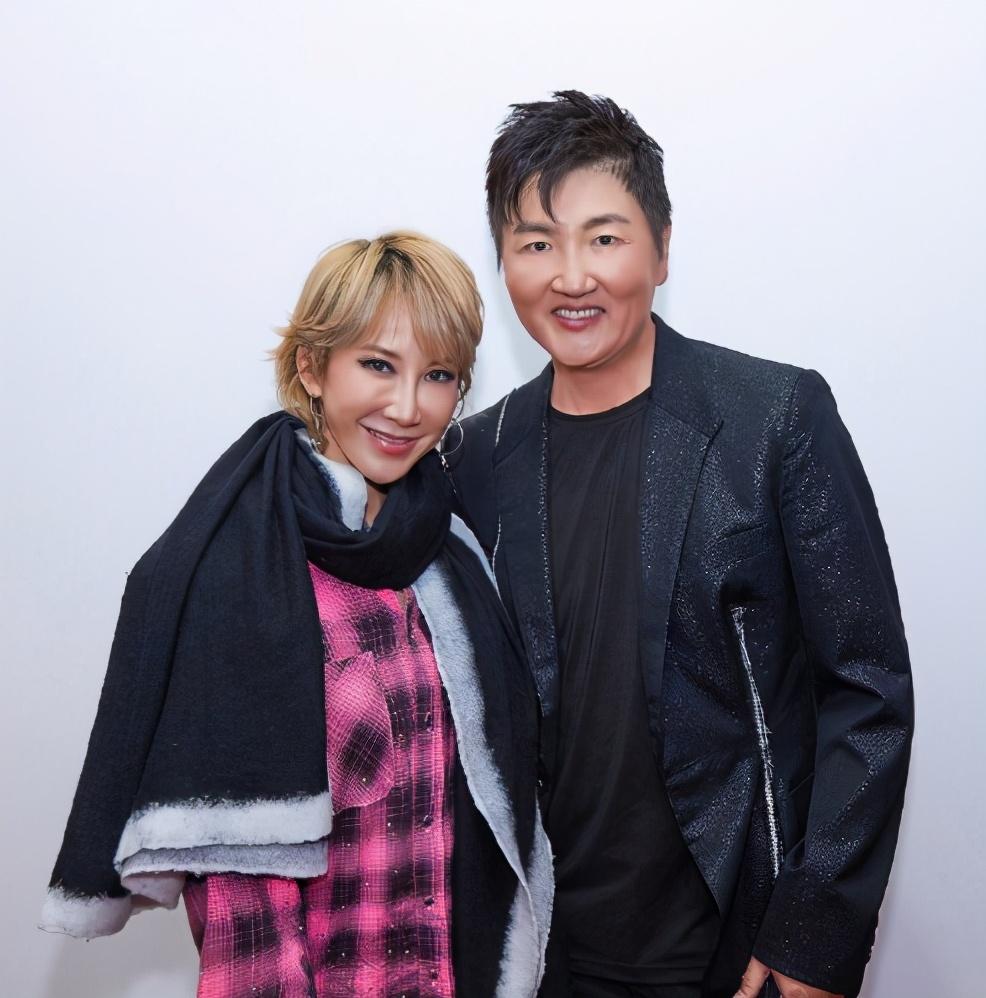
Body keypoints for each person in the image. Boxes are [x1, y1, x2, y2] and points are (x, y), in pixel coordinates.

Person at [445, 92, 914, 998]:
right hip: (547, 959)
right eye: (536, 244)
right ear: (503, 262)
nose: (570, 276)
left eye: (604, 238)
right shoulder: (475, 456)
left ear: (661, 250)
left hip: (739, 951)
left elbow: (868, 691)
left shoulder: (773, 419)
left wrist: (812, 938)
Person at [40, 231, 552, 998]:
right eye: (378, 364)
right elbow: (243, 918)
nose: (407, 406)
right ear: (312, 366)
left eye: (439, 375)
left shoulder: (453, 554)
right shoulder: (242, 573)